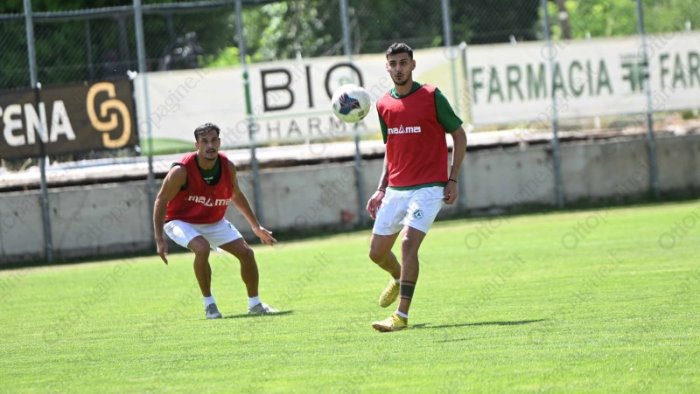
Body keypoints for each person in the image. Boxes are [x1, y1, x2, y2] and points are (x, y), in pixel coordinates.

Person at [367, 43, 467, 332]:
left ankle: (401, 316)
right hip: (396, 188)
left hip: (429, 187)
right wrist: (380, 188)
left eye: (403, 62)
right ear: (387, 67)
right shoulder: (384, 104)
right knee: (376, 253)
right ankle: (399, 277)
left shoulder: (431, 96)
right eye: (393, 64)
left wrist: (453, 178)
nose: (398, 68)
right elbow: (391, 149)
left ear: (413, 64)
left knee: (409, 243)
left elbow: (459, 136)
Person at [153, 123, 278, 319]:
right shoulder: (181, 171)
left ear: (219, 142)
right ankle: (209, 305)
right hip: (180, 221)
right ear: (197, 145)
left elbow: (236, 195)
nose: (210, 145)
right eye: (204, 142)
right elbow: (161, 200)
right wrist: (159, 238)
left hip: (213, 221)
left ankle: (255, 304)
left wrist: (256, 226)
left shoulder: (227, 167)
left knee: (247, 253)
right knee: (202, 248)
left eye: (213, 141)